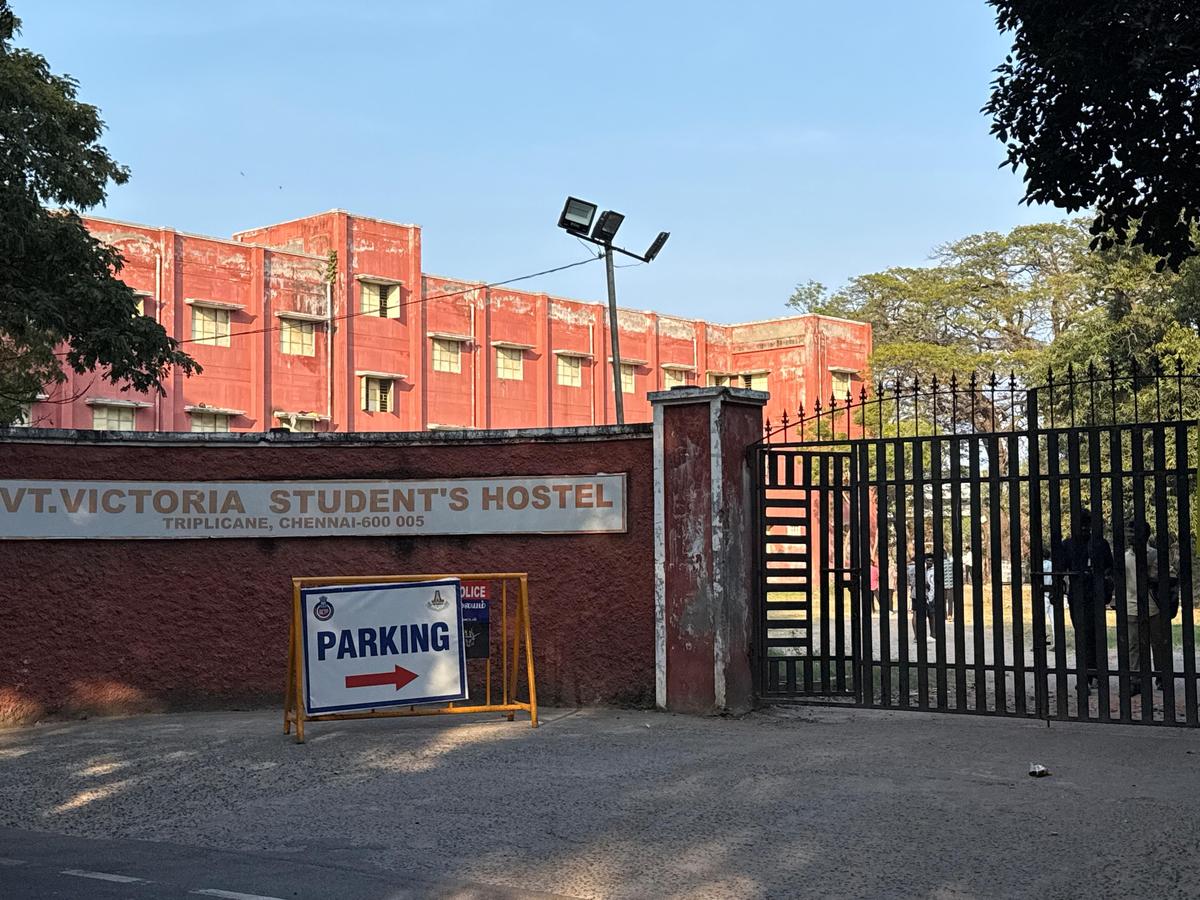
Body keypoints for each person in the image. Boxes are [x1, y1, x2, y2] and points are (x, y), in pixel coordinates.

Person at [1058, 508, 1114, 689]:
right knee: (1085, 636)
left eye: (1086, 524)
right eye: (1081, 524)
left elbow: (1110, 569)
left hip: (1093, 595)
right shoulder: (1068, 545)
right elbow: (1060, 569)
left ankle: (1090, 675)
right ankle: (1092, 673)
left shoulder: (1098, 544)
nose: (1084, 528)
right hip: (1079, 596)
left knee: (1091, 636)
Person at [1124, 521, 1174, 696]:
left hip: (1152, 606)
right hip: (1131, 606)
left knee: (1158, 644)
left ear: (1144, 535)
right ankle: (1135, 680)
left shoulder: (1154, 555)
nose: (1129, 536)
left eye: (1132, 532)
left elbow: (1167, 577)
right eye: (1128, 532)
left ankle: (1161, 677)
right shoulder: (1125, 557)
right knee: (1134, 645)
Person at [1039, 549, 1057, 649]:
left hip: (1043, 594)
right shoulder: (1053, 565)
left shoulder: (1040, 566)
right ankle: (1056, 642)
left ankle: (1040, 642)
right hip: (1052, 594)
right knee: (1054, 621)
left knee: (1040, 620)